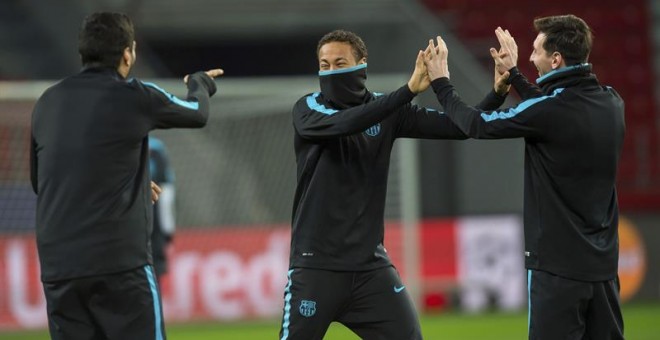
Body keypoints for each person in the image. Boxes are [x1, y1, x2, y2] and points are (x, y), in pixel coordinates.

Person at [280, 29, 510, 339]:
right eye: (324, 65)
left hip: (370, 271)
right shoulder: (308, 109)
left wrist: (497, 92)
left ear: (362, 64)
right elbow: (347, 122)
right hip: (316, 268)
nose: (331, 71)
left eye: (339, 63)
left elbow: (459, 127)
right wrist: (408, 91)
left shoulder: (389, 111)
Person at [424, 15, 625, 339]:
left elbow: (478, 124)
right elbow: (553, 112)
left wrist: (441, 83)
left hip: (557, 269)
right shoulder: (612, 101)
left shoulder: (548, 111)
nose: (530, 58)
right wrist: (514, 74)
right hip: (603, 268)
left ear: (556, 59)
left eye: (535, 51)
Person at [30, 12, 223, 340]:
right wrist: (199, 83)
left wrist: (116, 180)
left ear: (83, 53)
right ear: (127, 54)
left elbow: (42, 181)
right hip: (119, 264)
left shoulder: (47, 102)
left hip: (59, 269)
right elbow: (197, 113)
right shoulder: (134, 94)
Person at [149, 136, 176, 280]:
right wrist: (168, 236)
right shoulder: (157, 148)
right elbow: (166, 198)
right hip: (154, 231)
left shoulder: (116, 141)